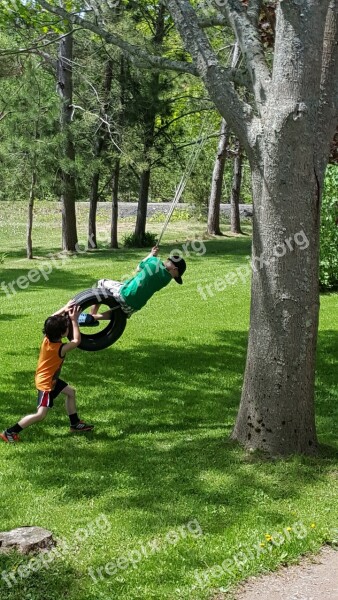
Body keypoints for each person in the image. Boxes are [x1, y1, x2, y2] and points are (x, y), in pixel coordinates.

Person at [1, 302, 94, 444]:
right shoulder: (60, 348)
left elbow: (51, 317)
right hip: (46, 383)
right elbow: (76, 341)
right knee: (41, 414)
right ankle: (10, 432)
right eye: (66, 328)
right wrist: (74, 320)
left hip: (50, 378)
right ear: (63, 333)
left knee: (71, 392)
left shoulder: (47, 338)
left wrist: (65, 307)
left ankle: (75, 424)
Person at [78, 246, 186, 324]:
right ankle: (95, 318)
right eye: (175, 276)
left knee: (101, 283)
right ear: (175, 269)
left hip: (125, 294)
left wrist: (152, 254)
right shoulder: (165, 280)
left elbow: (139, 267)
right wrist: (153, 257)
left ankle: (91, 316)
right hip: (133, 307)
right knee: (119, 313)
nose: (173, 277)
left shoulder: (154, 262)